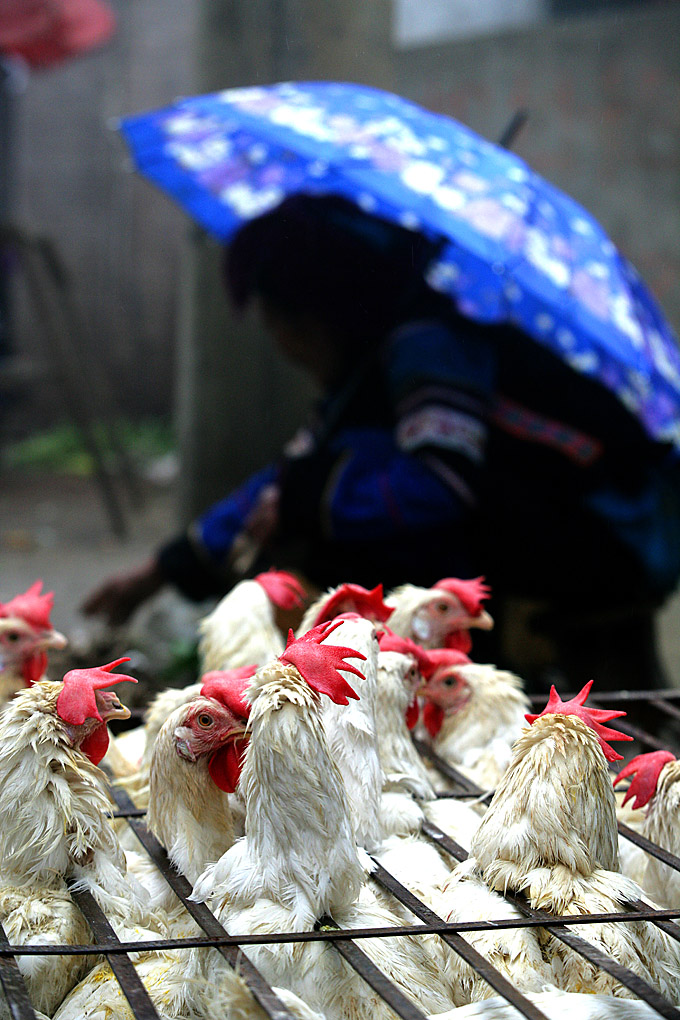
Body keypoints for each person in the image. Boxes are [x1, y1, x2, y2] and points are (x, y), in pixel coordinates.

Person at [82, 194, 680, 692]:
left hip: (607, 542)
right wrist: (160, 570)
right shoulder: (368, 369)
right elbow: (290, 472)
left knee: (343, 507)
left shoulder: (429, 346)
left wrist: (302, 500)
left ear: (315, 317)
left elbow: (438, 487)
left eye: (279, 326)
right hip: (539, 526)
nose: (284, 346)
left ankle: (455, 684)